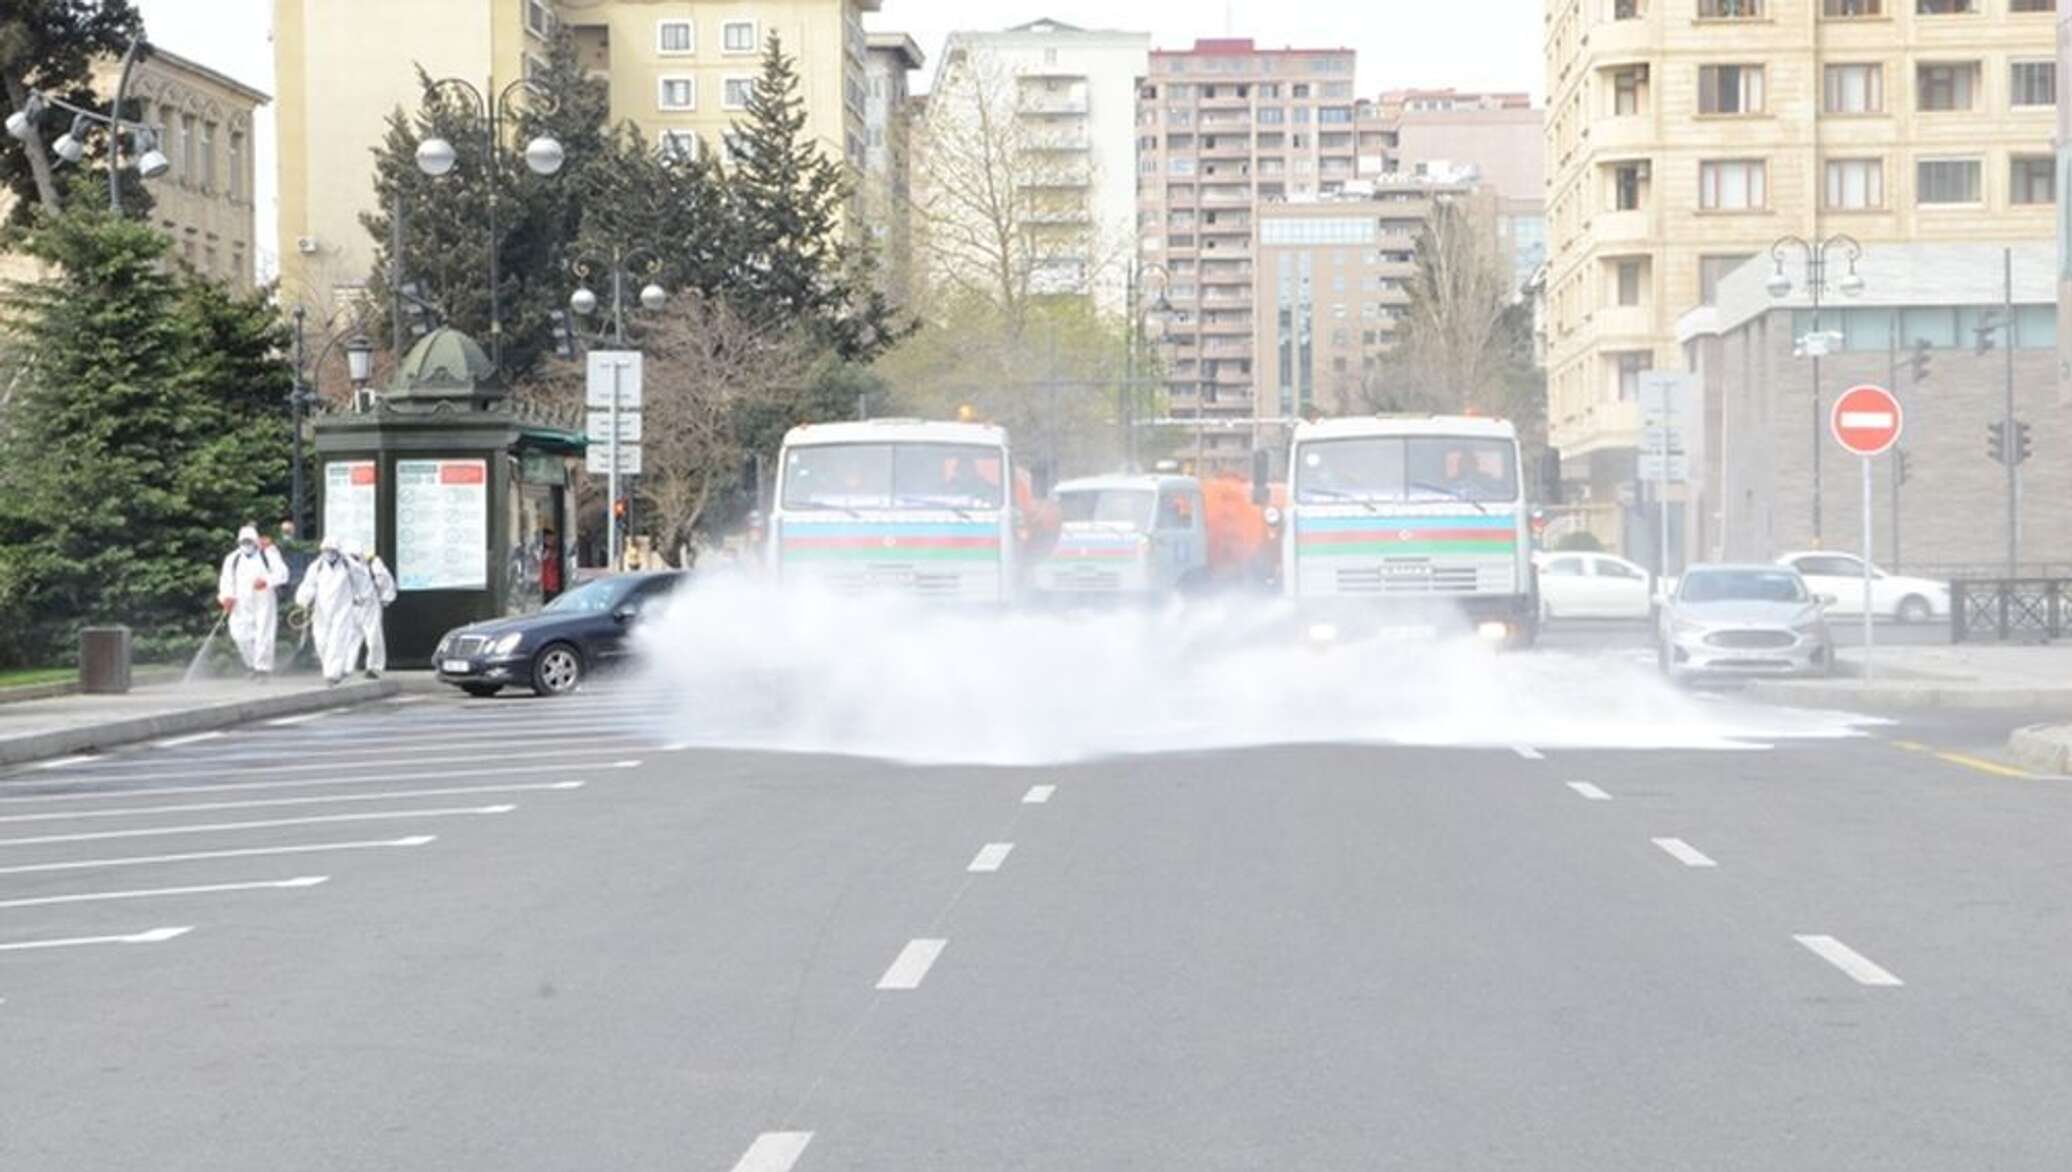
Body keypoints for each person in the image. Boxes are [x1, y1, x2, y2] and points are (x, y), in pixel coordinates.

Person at [295, 535, 370, 686]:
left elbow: (363, 581)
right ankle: (330, 668)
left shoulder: (350, 566)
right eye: (326, 550)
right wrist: (304, 600)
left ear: (338, 551)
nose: (329, 553)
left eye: (332, 550)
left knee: (338, 639)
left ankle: (332, 675)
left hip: (342, 608)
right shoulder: (316, 567)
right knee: (321, 641)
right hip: (321, 610)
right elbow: (308, 585)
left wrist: (361, 597)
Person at [218, 525, 289, 679]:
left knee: (264, 633)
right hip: (240, 601)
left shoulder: (267, 555)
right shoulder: (233, 559)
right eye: (244, 542)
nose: (247, 545)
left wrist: (267, 581)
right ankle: (252, 664)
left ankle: (263, 669)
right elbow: (226, 581)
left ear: (256, 541)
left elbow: (282, 573)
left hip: (263, 599)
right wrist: (226, 597)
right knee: (239, 634)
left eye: (250, 541)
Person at [354, 547, 398, 679]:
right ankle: (344, 666)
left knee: (373, 636)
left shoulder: (373, 564)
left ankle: (374, 667)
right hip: (352, 604)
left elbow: (384, 580)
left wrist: (385, 598)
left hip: (370, 604)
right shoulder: (343, 565)